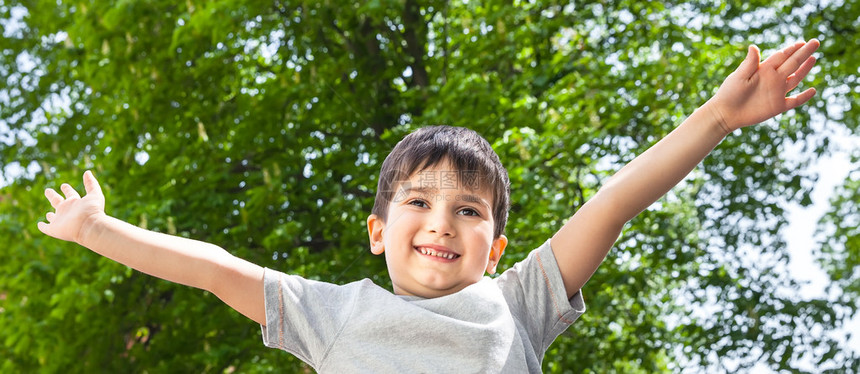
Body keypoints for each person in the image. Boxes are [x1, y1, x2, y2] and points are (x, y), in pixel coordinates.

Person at [37, 39, 820, 372]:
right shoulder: (332, 314)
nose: (443, 220)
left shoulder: (523, 305)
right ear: (379, 232)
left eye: (470, 211)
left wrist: (717, 118)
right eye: (419, 202)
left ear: (498, 246)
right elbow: (214, 270)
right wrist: (98, 228)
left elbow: (613, 204)